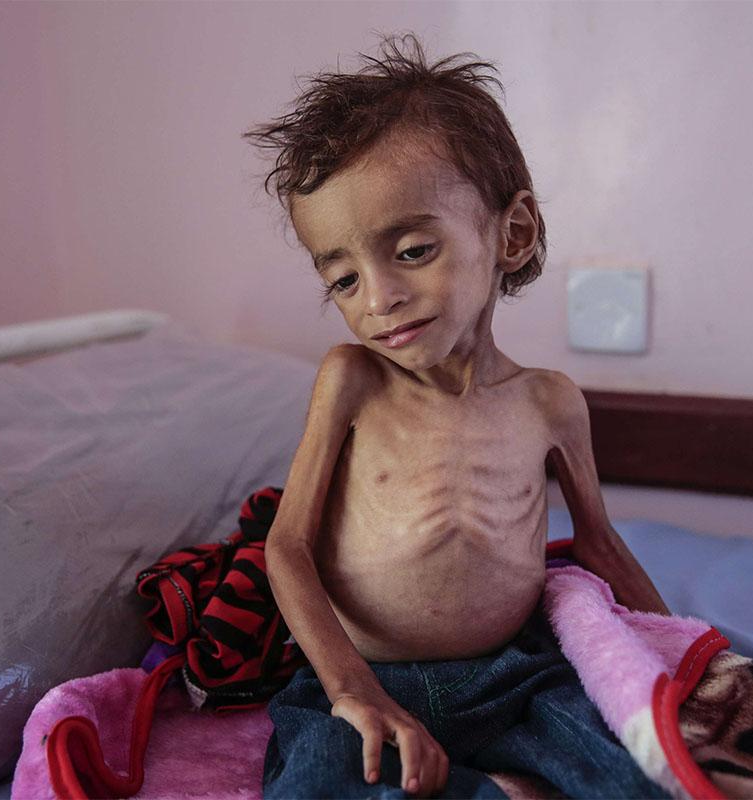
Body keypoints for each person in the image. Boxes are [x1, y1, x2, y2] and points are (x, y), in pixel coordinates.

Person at [243, 34, 671, 800]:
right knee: (317, 786)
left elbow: (600, 545)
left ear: (511, 234)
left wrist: (685, 660)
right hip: (368, 679)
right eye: (342, 278)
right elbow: (289, 547)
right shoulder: (352, 380)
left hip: (515, 678)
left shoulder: (550, 401)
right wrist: (351, 692)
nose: (377, 299)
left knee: (644, 774)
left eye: (410, 250)